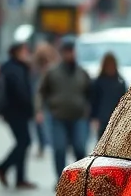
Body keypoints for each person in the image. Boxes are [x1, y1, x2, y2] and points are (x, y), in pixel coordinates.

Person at [0, 41, 37, 189]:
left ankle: (19, 178)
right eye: (24, 51)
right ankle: (3, 168)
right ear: (18, 52)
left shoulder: (14, 67)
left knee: (22, 142)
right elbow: (20, 92)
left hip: (15, 111)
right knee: (24, 142)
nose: (27, 53)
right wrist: (31, 108)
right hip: (16, 111)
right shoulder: (15, 68)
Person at [38, 36, 92, 179]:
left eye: (72, 51)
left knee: (80, 148)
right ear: (62, 53)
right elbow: (42, 92)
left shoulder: (82, 72)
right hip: (58, 117)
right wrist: (39, 111)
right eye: (67, 51)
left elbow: (90, 94)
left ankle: (80, 180)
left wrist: (90, 113)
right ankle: (60, 179)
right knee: (59, 149)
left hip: (78, 116)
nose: (70, 54)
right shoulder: (52, 72)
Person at [89, 52, 127, 139]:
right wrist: (94, 118)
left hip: (116, 121)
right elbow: (94, 101)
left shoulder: (120, 82)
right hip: (102, 119)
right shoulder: (98, 82)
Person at [31, 40, 58, 156]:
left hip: (49, 100)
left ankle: (45, 143)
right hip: (45, 100)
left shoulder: (50, 69)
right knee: (42, 123)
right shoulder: (37, 70)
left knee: (44, 123)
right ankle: (45, 143)